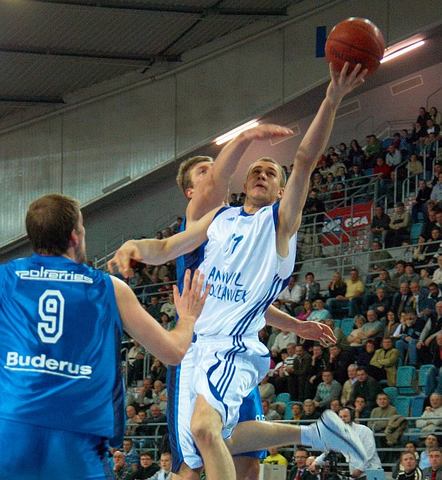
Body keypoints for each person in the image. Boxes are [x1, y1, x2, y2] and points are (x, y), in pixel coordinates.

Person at [109, 63, 367, 479]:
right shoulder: (219, 218)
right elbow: (168, 247)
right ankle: (316, 433)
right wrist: (133, 246)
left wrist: (332, 97)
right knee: (203, 449)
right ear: (244, 186)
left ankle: (313, 434)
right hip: (193, 346)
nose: (262, 174)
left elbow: (304, 159)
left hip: (232, 346)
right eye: (256, 171)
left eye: (271, 173)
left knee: (204, 429)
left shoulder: (280, 224)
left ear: (281, 190)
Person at [0, 194, 209, 480]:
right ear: (74, 236)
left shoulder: (6, 279)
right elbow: (173, 352)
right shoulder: (109, 288)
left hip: (11, 434)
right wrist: (188, 318)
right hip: (77, 440)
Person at [311, 407, 382, 478]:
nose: (342, 419)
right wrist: (316, 462)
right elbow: (329, 451)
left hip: (372, 470)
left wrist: (360, 469)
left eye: (345, 416)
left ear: (352, 417)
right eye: (340, 417)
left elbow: (369, 452)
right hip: (355, 473)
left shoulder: (364, 430)